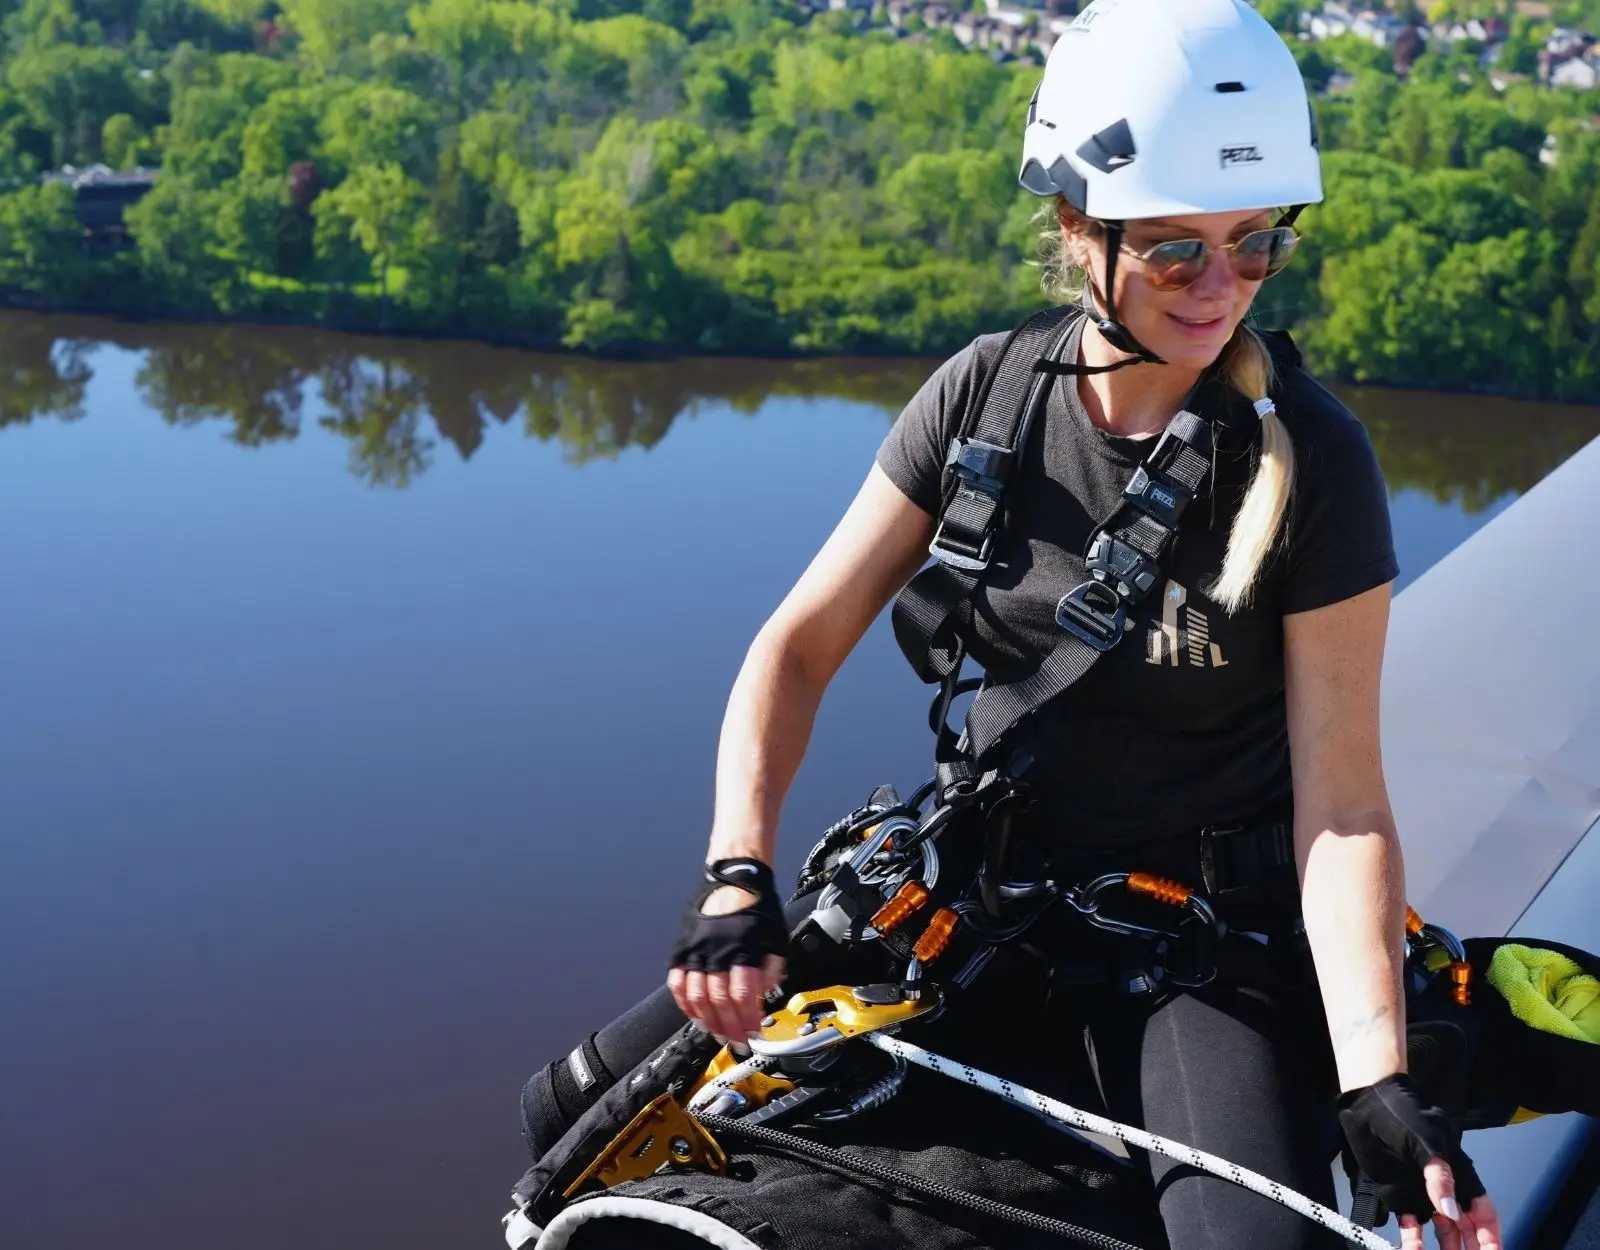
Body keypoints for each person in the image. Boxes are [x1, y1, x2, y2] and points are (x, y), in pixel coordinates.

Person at [665, 2, 1504, 1248]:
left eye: (1256, 243)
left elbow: (1341, 803)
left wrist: (1371, 1073)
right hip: (974, 903)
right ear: (1078, 227)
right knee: (611, 1139)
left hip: (1198, 948)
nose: (1222, 289)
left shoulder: (1313, 460)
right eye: (1175, 251)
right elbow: (795, 644)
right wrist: (739, 868)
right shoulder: (986, 398)